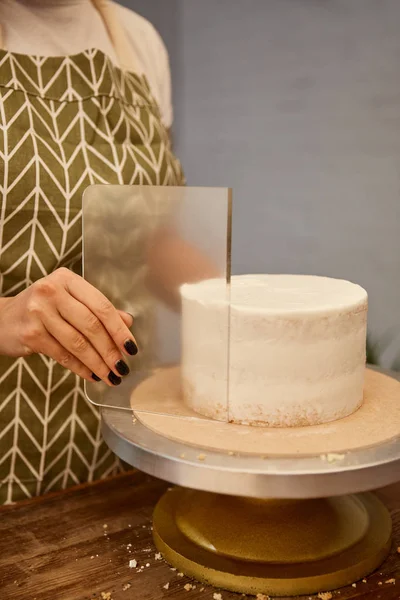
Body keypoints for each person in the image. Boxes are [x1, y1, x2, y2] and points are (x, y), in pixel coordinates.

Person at [0, 0, 189, 504]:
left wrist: (230, 304)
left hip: (127, 442)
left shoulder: (138, 41)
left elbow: (150, 236)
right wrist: (7, 318)